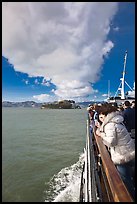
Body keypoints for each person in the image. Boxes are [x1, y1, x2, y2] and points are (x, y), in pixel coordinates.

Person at [95, 103, 135, 199]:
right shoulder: (117, 120)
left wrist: (100, 134)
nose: (101, 118)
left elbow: (111, 142)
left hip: (122, 156)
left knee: (126, 183)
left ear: (105, 114)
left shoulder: (110, 125)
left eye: (101, 116)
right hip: (131, 152)